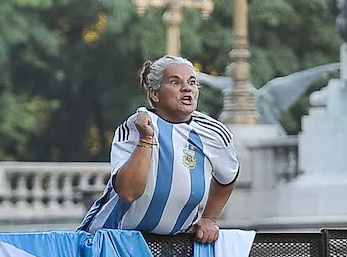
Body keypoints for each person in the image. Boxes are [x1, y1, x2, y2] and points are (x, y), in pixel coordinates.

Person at [80, 55, 239, 242]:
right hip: (112, 243)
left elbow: (228, 177)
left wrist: (209, 219)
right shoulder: (137, 125)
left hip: (174, 247)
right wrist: (146, 139)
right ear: (155, 94)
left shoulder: (214, 133)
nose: (187, 88)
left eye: (192, 82)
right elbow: (129, 192)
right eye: (175, 82)